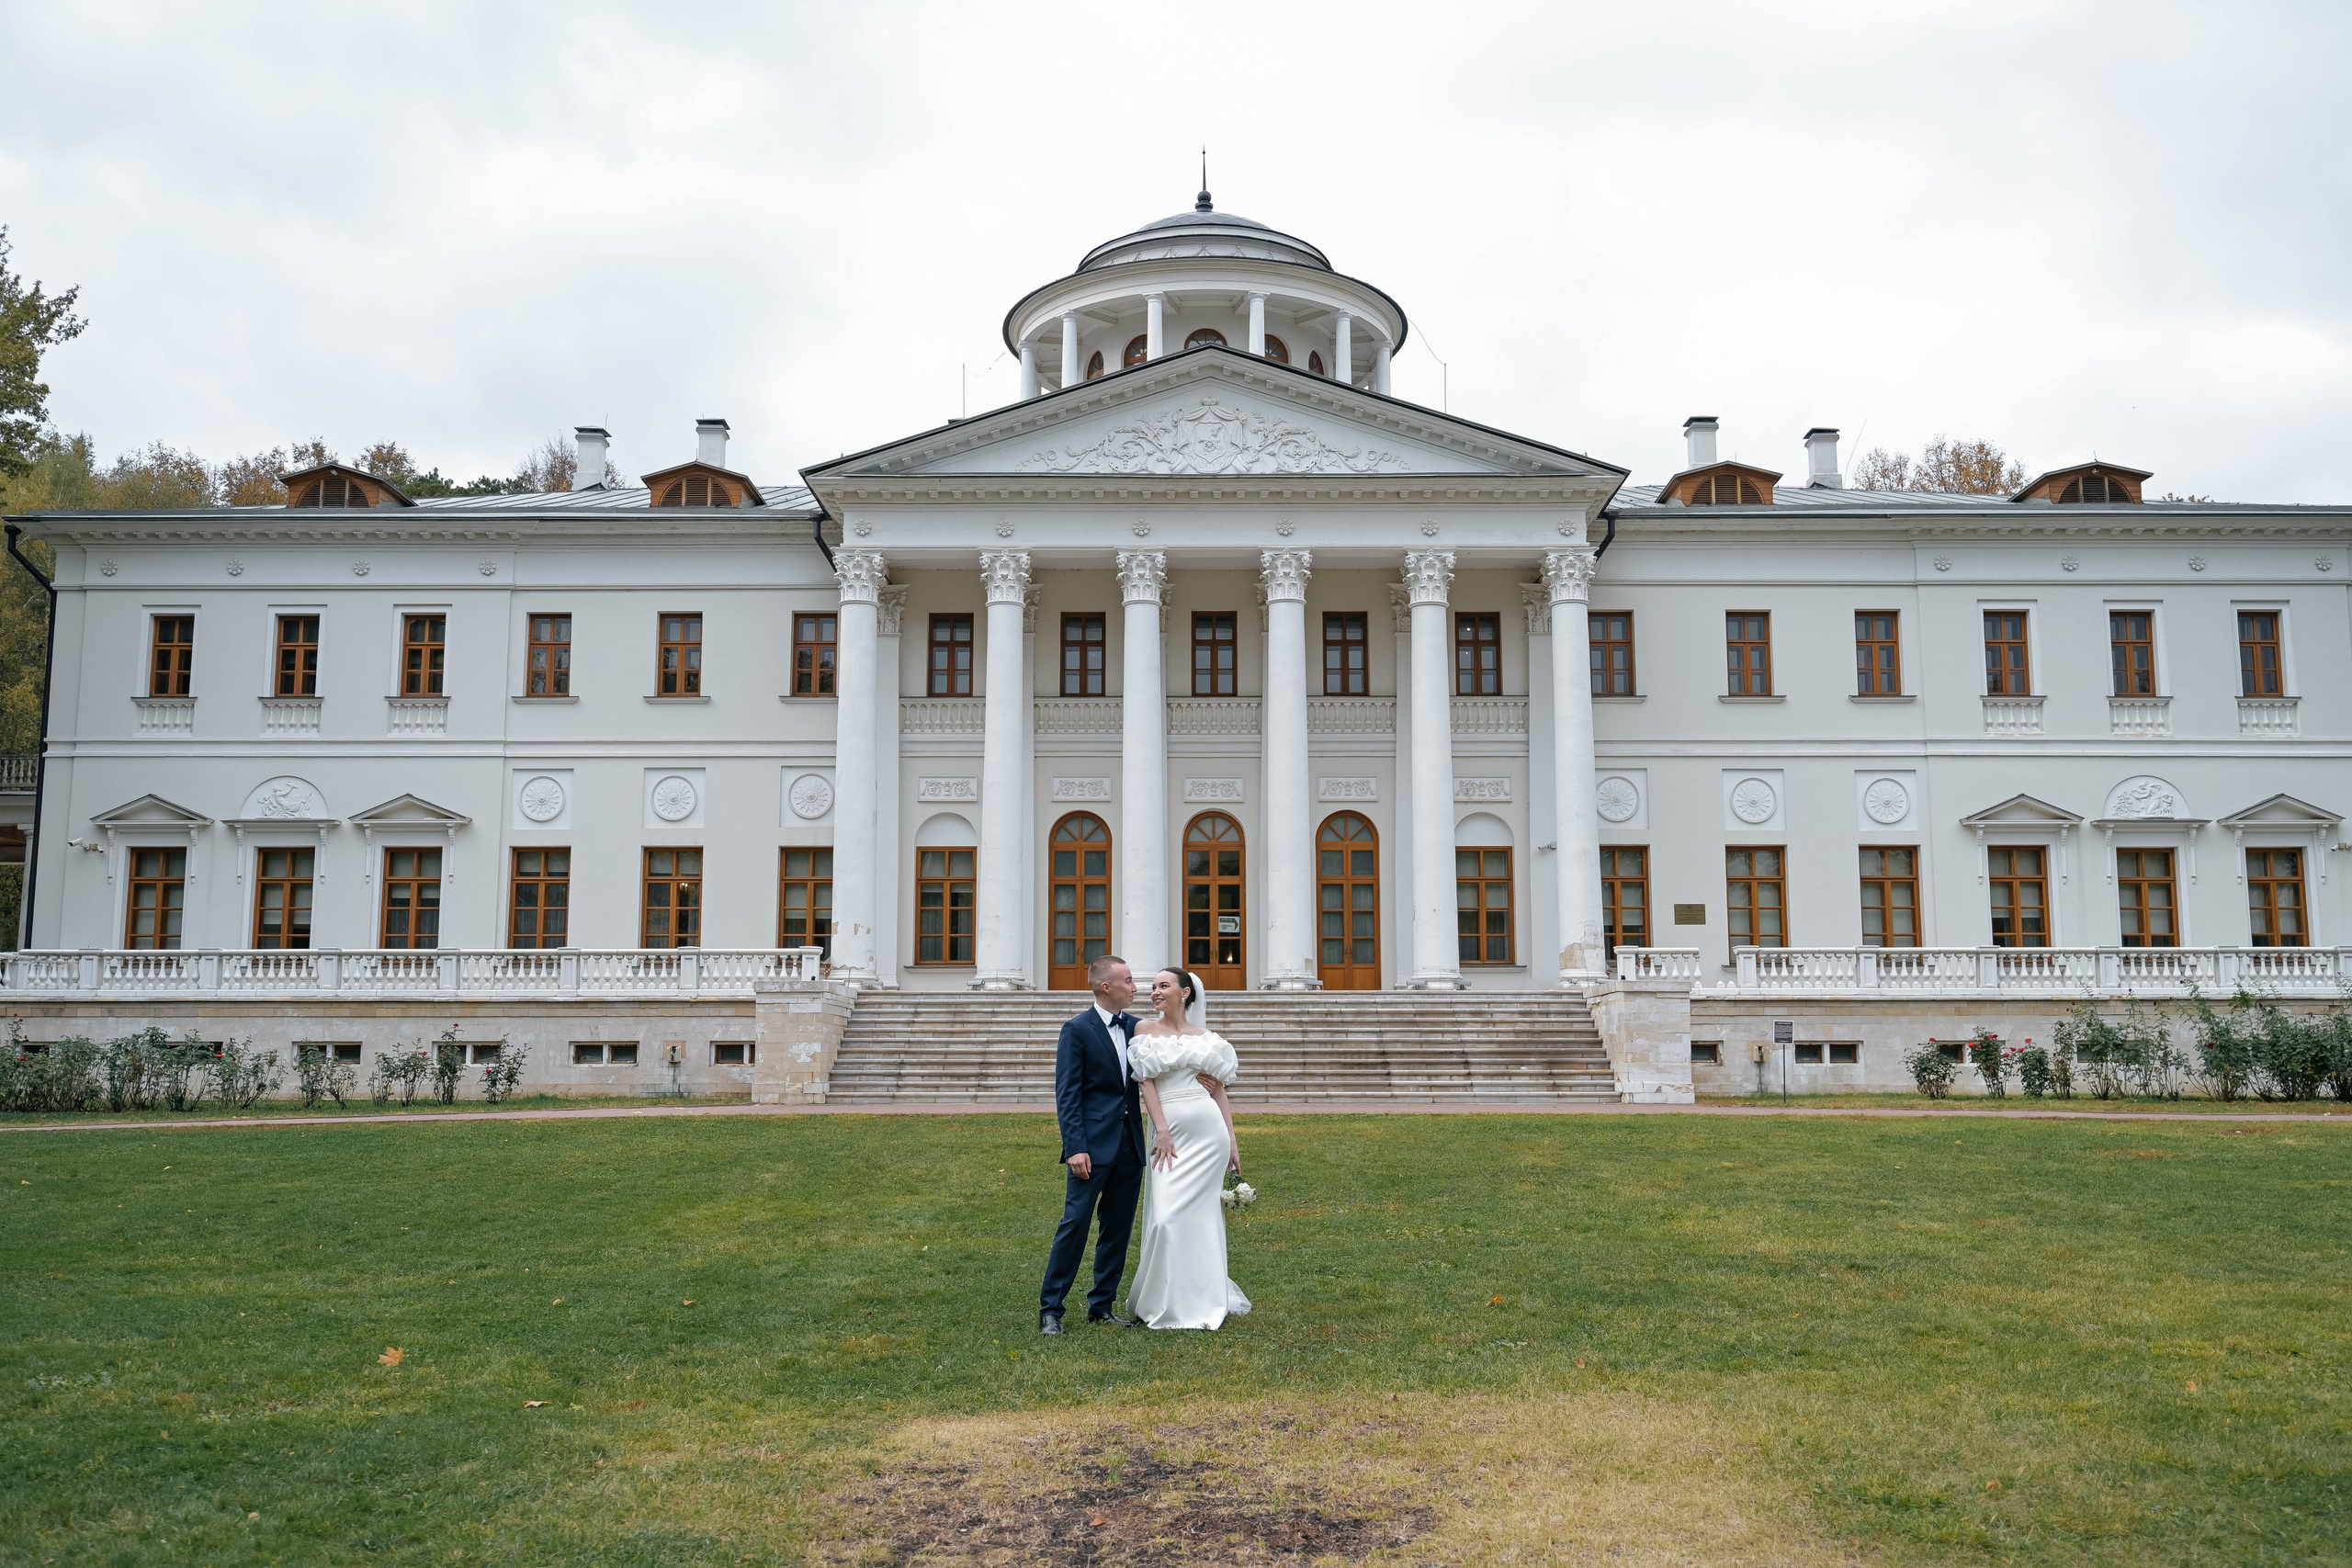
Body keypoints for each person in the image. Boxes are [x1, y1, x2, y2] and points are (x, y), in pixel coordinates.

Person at [1125, 966, 1252, 1330]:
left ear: (1185, 993)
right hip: (1169, 1133)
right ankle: (1162, 1299)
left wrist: (1232, 1142)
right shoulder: (1144, 1031)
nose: (1154, 992)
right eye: (1153, 987)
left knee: (1203, 1220)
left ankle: (1203, 1299)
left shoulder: (1208, 1039)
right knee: (1166, 1218)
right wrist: (1161, 1130)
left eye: (1163, 986)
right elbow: (1145, 1084)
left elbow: (1219, 1091)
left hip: (1208, 1134)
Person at [1037, 954, 1145, 1336]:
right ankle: (1051, 1309)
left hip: (1131, 1145)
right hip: (1090, 1148)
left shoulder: (1138, 1028)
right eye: (1129, 981)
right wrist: (1075, 1147)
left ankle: (1102, 1304)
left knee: (1118, 1227)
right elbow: (1067, 1095)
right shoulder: (1077, 1030)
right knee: (1075, 1223)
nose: (1135, 987)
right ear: (1106, 987)